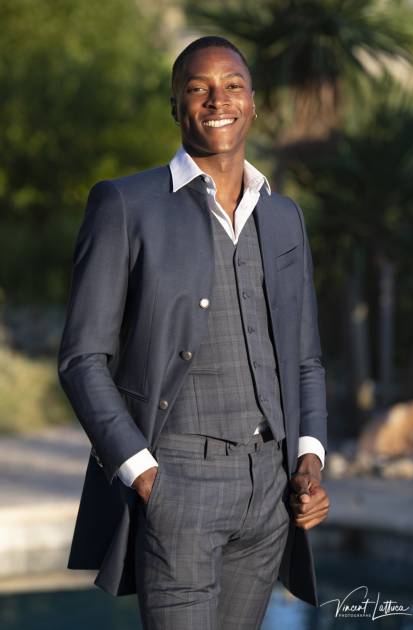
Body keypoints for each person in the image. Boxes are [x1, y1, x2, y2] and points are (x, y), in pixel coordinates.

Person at [57, 35, 330, 630]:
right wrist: (144, 474)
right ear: (176, 106)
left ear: (253, 103)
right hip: (178, 484)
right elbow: (82, 359)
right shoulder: (125, 204)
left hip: (271, 495)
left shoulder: (283, 216)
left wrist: (309, 462)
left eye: (232, 86)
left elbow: (305, 358)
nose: (217, 99)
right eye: (198, 88)